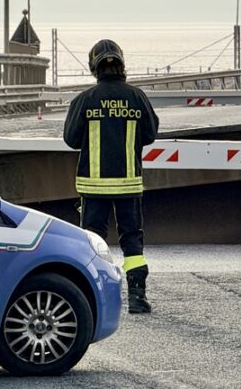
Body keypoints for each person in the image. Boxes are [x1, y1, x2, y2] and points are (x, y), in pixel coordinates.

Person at [63, 39, 159, 314]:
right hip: (128, 184)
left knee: (92, 243)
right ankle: (137, 296)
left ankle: (92, 299)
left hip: (93, 187)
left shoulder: (85, 100)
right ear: (121, 64)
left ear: (94, 67)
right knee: (132, 240)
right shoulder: (137, 97)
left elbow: (71, 139)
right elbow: (150, 134)